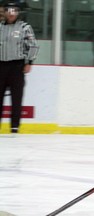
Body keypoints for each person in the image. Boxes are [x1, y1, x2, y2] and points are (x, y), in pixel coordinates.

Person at [0, 1, 39, 134]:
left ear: (18, 12)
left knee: (17, 98)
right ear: (4, 12)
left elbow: (33, 45)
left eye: (14, 10)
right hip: (1, 66)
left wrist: (29, 62)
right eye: (8, 10)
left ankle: (14, 126)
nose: (11, 13)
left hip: (17, 67)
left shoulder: (24, 27)